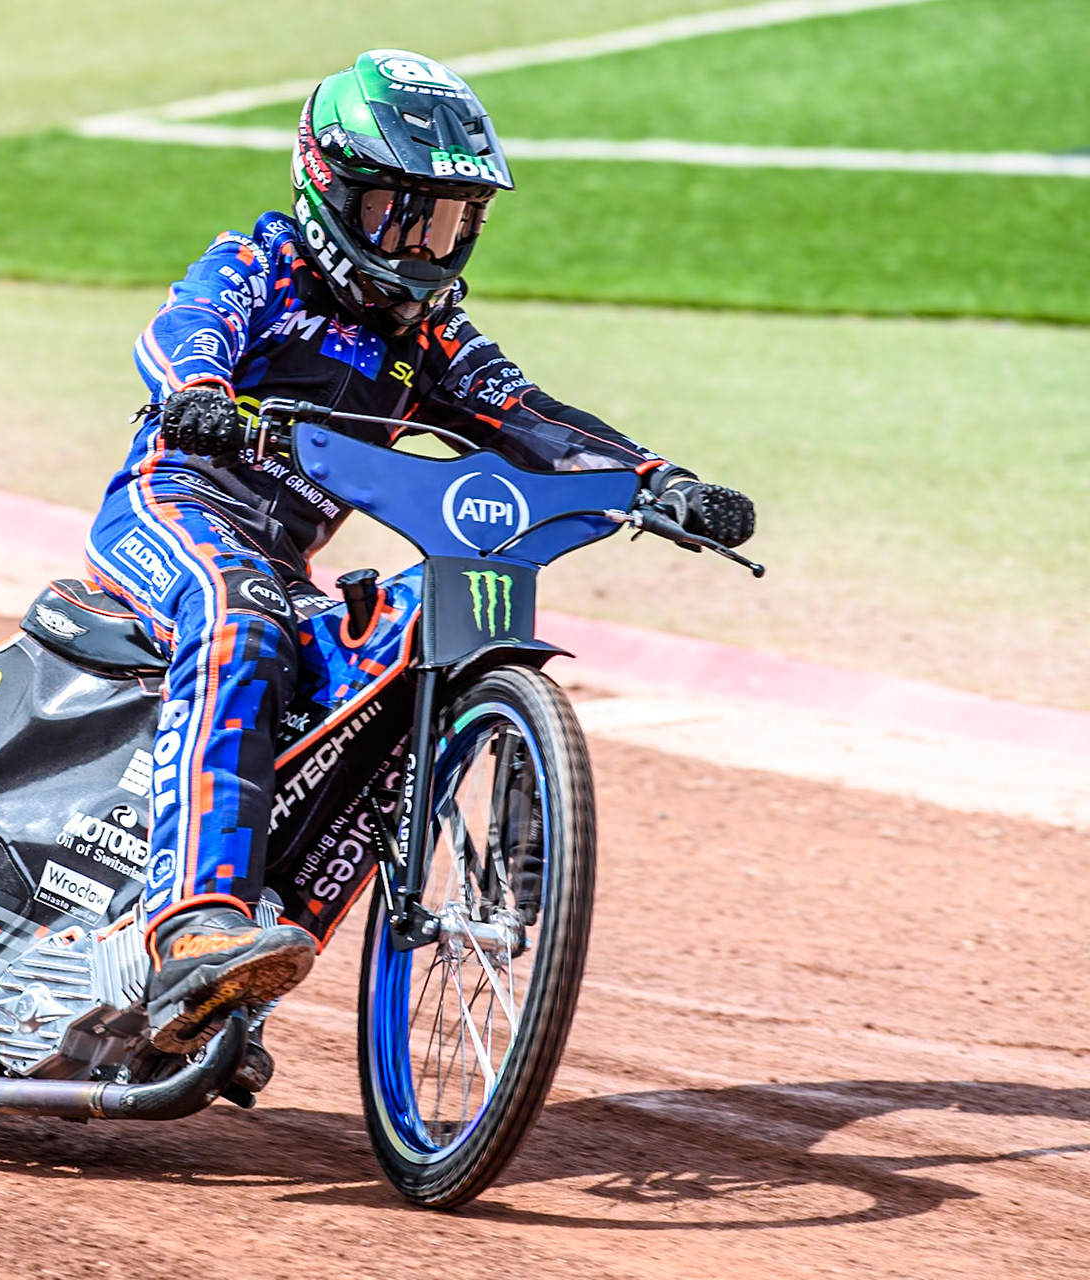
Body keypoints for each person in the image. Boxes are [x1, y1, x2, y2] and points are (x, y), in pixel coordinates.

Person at [86, 49, 754, 1053]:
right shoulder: (258, 262)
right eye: (406, 211)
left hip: (280, 564)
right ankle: (194, 918)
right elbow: (188, 328)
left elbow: (527, 415)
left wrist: (658, 481)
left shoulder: (430, 336)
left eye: (452, 218)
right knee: (237, 612)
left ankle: (231, 992)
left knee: (384, 676)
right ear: (331, 189)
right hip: (170, 510)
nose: (431, 241)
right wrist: (201, 392)